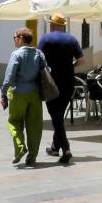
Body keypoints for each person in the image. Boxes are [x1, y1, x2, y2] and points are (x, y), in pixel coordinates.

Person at [38, 13, 82, 164]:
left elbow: (38, 59)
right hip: (68, 83)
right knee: (59, 115)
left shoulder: (45, 39)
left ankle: (66, 149)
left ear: (52, 25)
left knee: (55, 116)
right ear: (63, 25)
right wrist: (71, 66)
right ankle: (55, 147)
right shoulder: (72, 39)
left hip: (51, 83)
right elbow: (81, 60)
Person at [1, 27, 45, 167]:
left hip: (18, 92)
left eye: (14, 37)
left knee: (14, 121)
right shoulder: (39, 53)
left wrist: (3, 93)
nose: (14, 40)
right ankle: (32, 157)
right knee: (35, 126)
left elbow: (8, 78)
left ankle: (20, 148)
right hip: (35, 94)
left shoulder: (16, 54)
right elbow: (47, 72)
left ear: (20, 38)